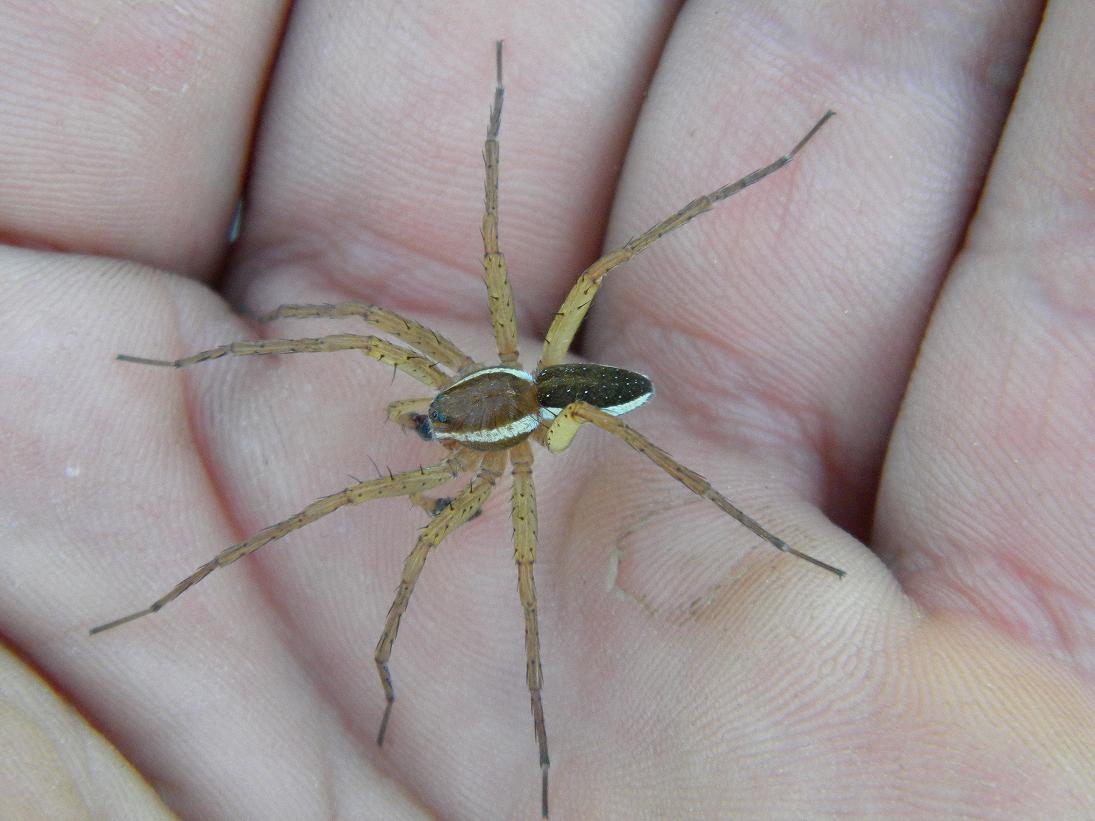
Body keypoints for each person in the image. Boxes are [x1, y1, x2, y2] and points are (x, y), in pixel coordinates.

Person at [2, 3, 1091, 818]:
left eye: (440, 420)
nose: (426, 421)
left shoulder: (504, 460)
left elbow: (475, 271)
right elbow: (348, 326)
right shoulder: (449, 409)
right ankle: (187, 596)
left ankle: (778, 163)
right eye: (437, 415)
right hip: (531, 398)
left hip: (560, 402)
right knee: (366, 360)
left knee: (467, 468)